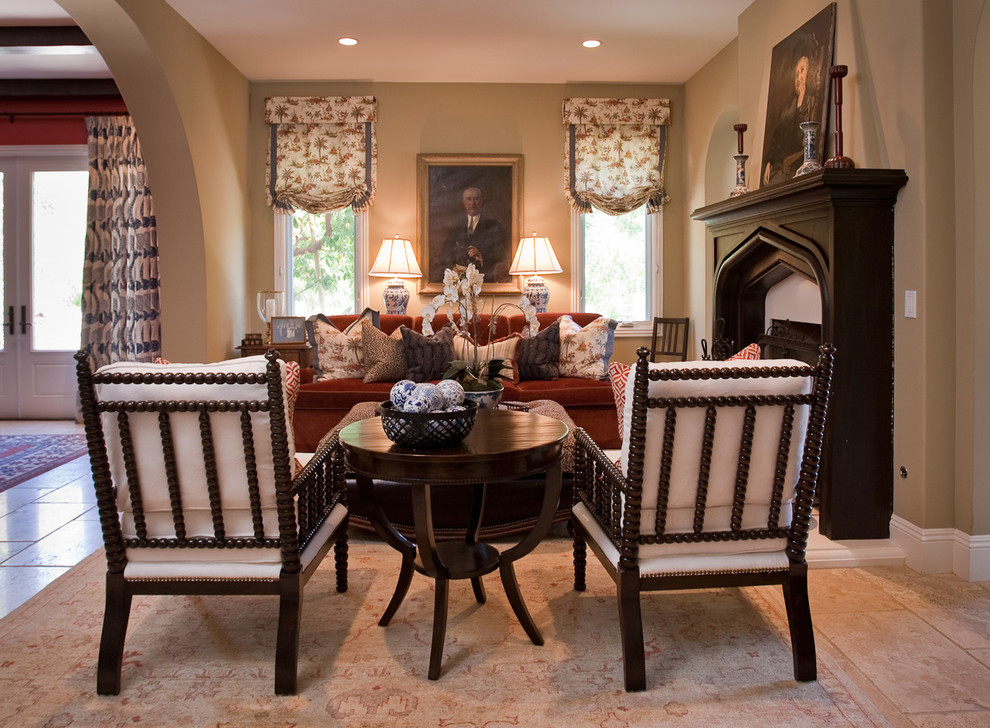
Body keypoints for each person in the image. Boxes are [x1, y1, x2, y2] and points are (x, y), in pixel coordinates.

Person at [762, 53, 817, 185]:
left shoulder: (812, 102)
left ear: (809, 73)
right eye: (796, 74)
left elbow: (802, 138)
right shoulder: (789, 105)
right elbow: (777, 134)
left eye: (802, 71)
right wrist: (769, 162)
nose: (798, 77)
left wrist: (801, 103)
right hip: (780, 165)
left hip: (796, 165)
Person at [437, 186, 509, 283]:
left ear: (482, 201)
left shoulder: (494, 226)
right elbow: (446, 252)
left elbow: (501, 255)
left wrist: (482, 257)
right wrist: (452, 268)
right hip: (459, 283)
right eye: (469, 199)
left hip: (485, 282)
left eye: (476, 199)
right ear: (464, 203)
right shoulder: (456, 227)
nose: (472, 203)